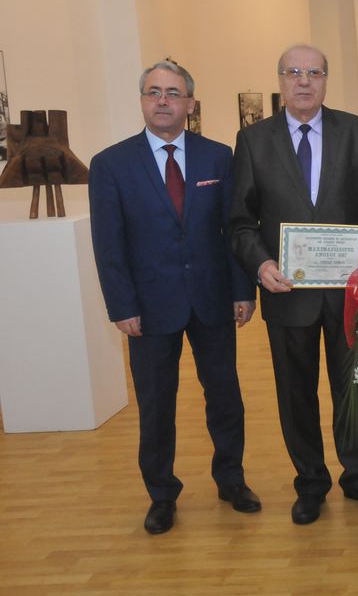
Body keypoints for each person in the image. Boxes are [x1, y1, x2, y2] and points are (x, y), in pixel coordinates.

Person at [89, 60, 260, 535]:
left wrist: (242, 291)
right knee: (156, 405)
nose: (162, 100)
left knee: (225, 397)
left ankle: (231, 480)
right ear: (142, 101)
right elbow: (108, 244)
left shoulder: (217, 156)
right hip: (148, 308)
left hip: (212, 300)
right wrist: (122, 306)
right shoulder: (111, 164)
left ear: (190, 103)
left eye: (172, 92)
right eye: (153, 92)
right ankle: (162, 494)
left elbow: (233, 229)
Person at [230, 44, 358, 525]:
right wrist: (260, 264)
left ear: (326, 79)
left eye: (314, 72)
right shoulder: (253, 140)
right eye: (294, 72)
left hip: (349, 293)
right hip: (286, 292)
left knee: (352, 388)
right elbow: (240, 221)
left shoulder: (357, 132)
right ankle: (310, 482)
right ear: (280, 79)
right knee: (294, 391)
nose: (304, 81)